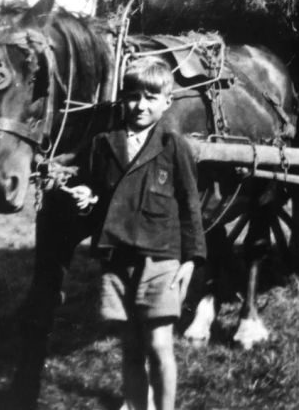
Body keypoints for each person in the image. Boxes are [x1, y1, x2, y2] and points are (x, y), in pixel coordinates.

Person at [69, 56, 206, 410]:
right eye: (132, 96)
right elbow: (97, 190)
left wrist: (191, 259)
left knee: (160, 345)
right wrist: (88, 196)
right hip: (116, 259)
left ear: (166, 102)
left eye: (150, 97)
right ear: (122, 99)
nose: (140, 105)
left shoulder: (174, 147)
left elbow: (191, 206)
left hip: (160, 259)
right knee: (130, 347)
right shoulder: (104, 144)